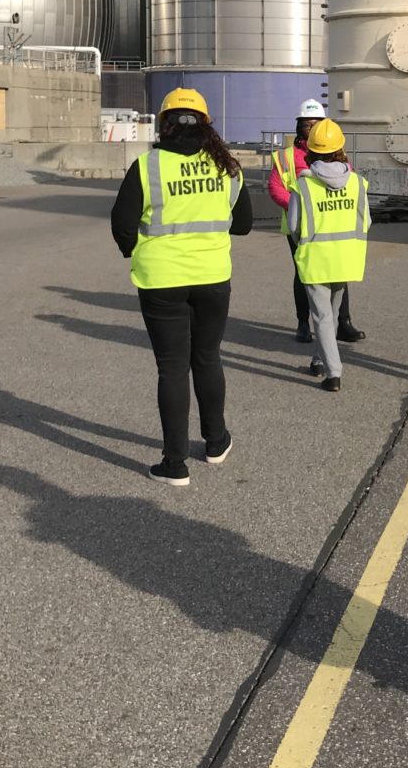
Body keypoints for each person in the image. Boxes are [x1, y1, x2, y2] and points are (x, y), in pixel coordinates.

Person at [111, 88, 253, 487]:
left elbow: (122, 223)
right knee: (207, 358)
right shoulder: (226, 167)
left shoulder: (147, 166)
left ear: (165, 124)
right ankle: (215, 442)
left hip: (160, 281)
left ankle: (175, 463)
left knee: (172, 367)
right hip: (212, 277)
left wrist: (138, 252)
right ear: (207, 125)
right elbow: (242, 224)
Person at [269, 98, 366, 345]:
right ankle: (303, 324)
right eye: (306, 124)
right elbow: (275, 187)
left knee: (339, 273)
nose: (311, 128)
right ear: (298, 126)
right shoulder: (286, 157)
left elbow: (349, 184)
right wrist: (298, 207)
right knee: (303, 275)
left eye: (316, 124)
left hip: (332, 222)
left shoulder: (338, 156)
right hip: (299, 228)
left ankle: (343, 323)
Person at [287, 118, 370, 392]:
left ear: (310, 150)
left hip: (315, 259)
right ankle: (319, 360)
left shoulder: (304, 185)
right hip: (347, 257)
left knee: (322, 316)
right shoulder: (357, 183)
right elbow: (366, 222)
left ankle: (333, 373)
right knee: (332, 314)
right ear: (340, 148)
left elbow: (293, 227)